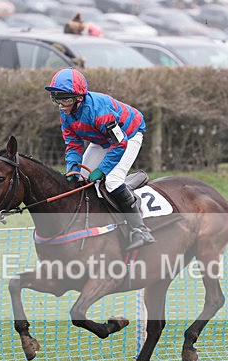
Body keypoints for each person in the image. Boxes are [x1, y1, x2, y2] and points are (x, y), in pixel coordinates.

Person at [45, 67, 155, 251]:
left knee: (111, 181)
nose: (60, 104)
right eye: (56, 98)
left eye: (65, 99)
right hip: (101, 139)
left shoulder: (100, 111)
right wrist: (73, 167)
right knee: (78, 179)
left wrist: (102, 170)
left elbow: (120, 143)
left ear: (79, 98)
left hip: (129, 135)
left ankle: (140, 229)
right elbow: (73, 143)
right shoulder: (65, 112)